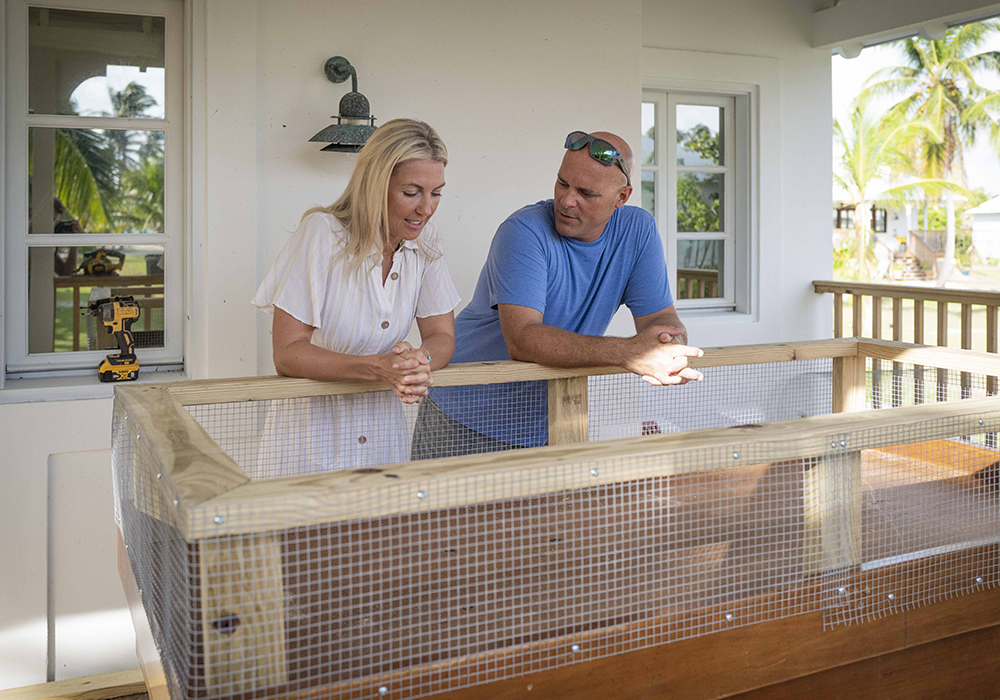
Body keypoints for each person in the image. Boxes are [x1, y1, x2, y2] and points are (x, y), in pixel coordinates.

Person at [413, 130, 703, 459]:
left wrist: (668, 344)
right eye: (562, 183)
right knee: (435, 514)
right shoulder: (524, 231)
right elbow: (522, 339)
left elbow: (658, 316)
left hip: (551, 421)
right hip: (463, 413)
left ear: (621, 198)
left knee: (544, 513)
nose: (567, 200)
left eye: (586, 192)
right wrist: (630, 353)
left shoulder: (638, 231)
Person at [252, 119, 461, 476]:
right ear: (375, 186)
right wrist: (379, 368)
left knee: (381, 533)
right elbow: (287, 353)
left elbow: (442, 336)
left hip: (384, 444)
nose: (426, 208)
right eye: (411, 193)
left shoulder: (427, 241)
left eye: (436, 193)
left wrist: (418, 361)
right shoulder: (322, 234)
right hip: (308, 447)